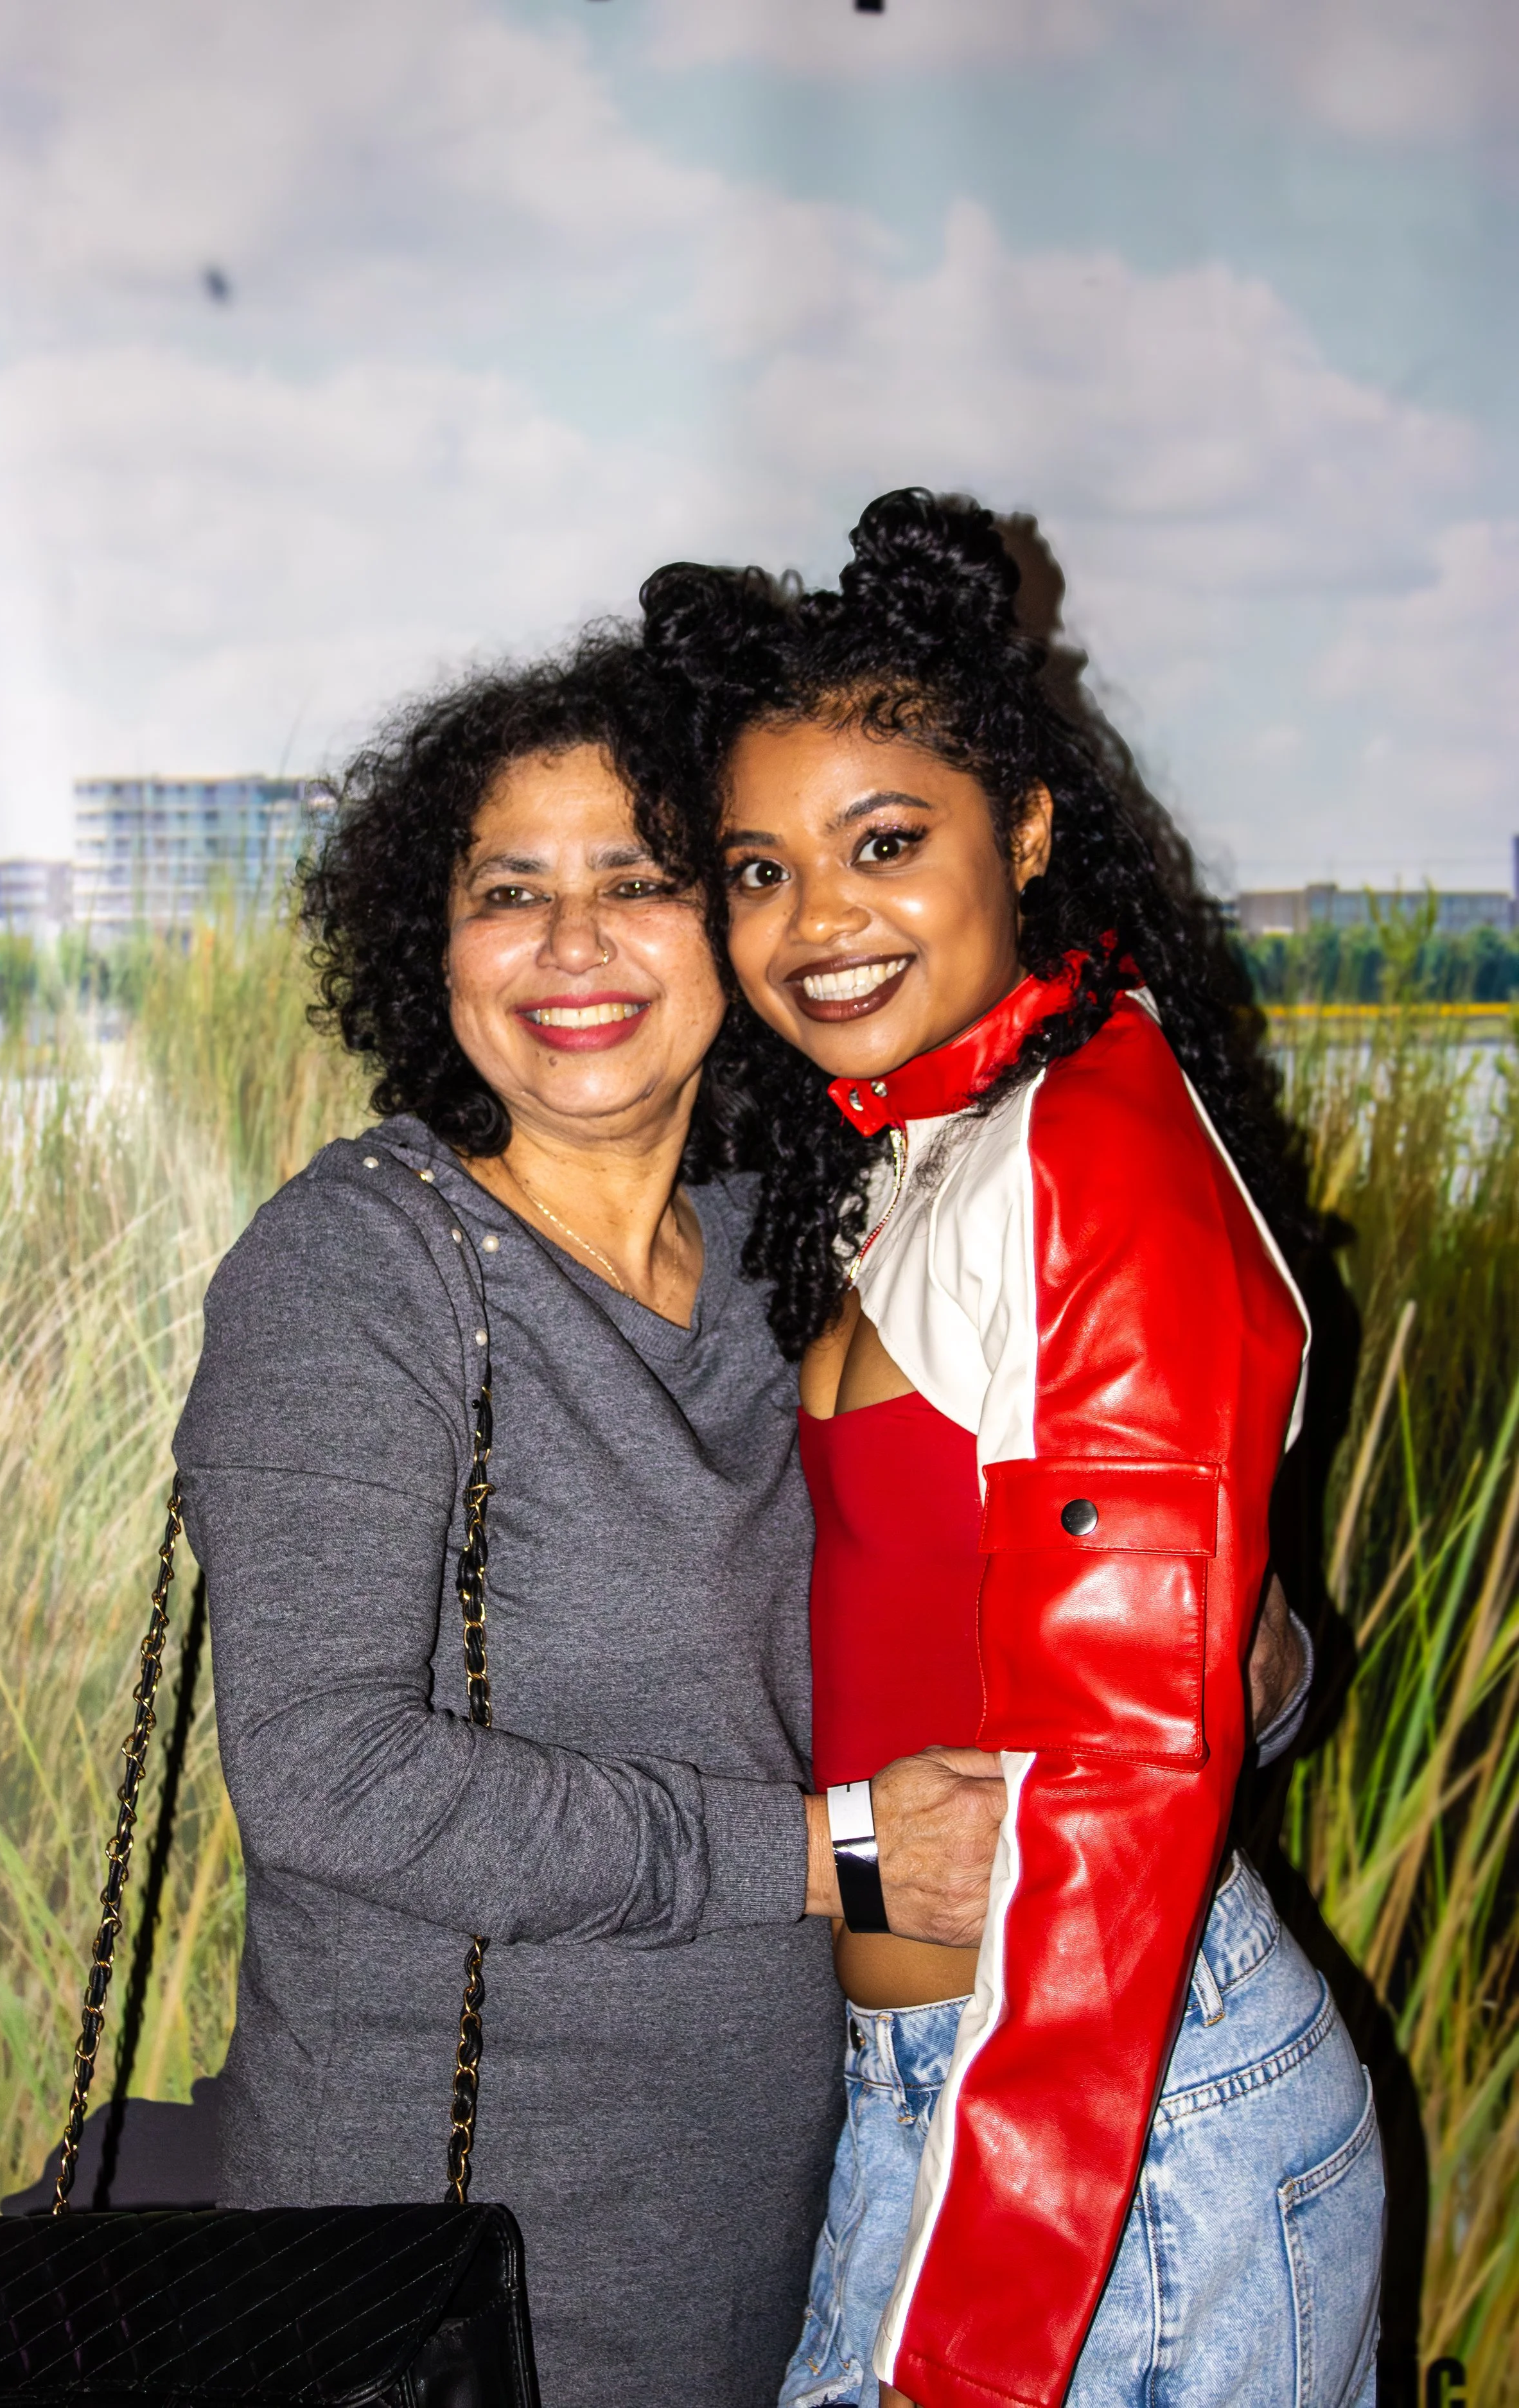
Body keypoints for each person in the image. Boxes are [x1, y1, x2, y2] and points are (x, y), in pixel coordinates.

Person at [171, 634, 1010, 2408]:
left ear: (730, 924)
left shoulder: (809, 1249)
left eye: (636, 880)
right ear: (436, 942)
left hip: (777, 2217)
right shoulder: (363, 1268)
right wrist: (826, 1853)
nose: (571, 944)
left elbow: (984, 1592)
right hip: (434, 2260)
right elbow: (324, 1770)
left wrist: (1239, 1651)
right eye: (510, 891)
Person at [640, 492, 1385, 2408]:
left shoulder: (1091, 1156)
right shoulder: (946, 1140)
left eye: (882, 845)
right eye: (758, 869)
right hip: (964, 2092)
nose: (814, 923)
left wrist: (975, 2336)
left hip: (1107, 2142)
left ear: (1027, 829)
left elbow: (1124, 1780)